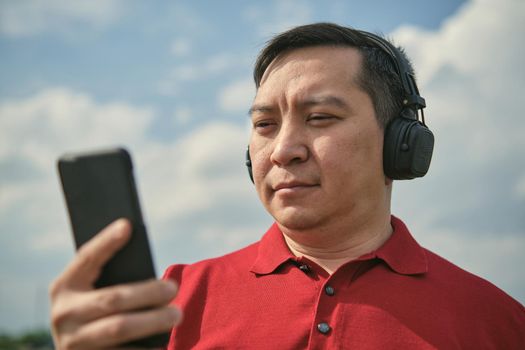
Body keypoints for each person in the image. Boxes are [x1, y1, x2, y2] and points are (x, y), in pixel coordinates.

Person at [49, 23, 525, 349]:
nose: (282, 149)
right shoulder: (168, 300)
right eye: (264, 124)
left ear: (402, 142)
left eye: (319, 118)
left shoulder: (499, 322)